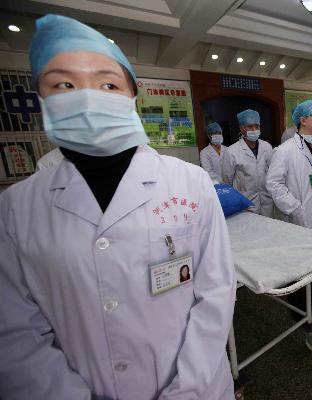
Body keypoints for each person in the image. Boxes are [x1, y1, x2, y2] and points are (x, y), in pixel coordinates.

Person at [0, 14, 236, 400]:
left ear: (132, 94)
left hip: (199, 386)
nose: (88, 97)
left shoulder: (189, 182)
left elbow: (216, 294)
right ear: (41, 97)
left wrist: (188, 391)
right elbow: (15, 333)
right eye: (64, 83)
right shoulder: (14, 209)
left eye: (107, 83)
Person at [266, 99, 312, 306]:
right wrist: (295, 207)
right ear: (303, 120)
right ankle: (297, 302)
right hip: (299, 214)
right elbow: (273, 184)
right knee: (300, 259)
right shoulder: (285, 151)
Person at [222, 109, 274, 217]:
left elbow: (271, 173)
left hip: (266, 201)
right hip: (245, 203)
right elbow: (227, 180)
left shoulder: (267, 147)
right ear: (242, 128)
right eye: (250, 126)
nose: (254, 130)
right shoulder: (232, 151)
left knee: (268, 231)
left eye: (257, 126)